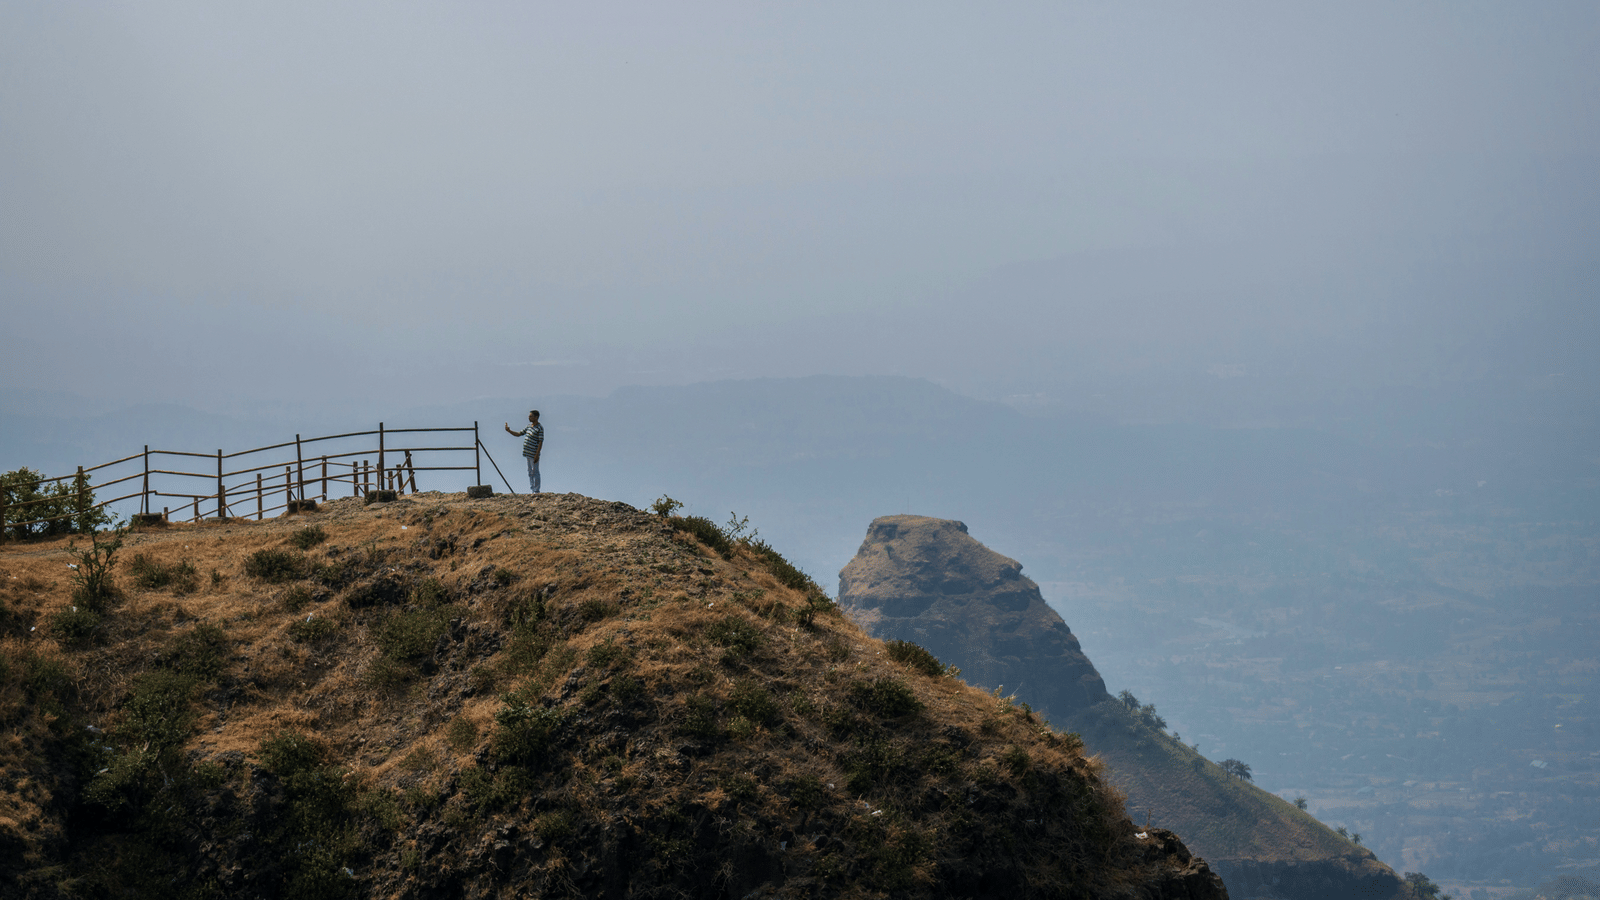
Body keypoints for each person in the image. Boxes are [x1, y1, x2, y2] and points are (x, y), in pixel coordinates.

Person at [504, 410, 544, 493]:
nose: (529, 418)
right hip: (527, 453)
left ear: (536, 417)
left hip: (534, 453)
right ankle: (532, 489)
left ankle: (536, 490)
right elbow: (519, 434)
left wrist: (537, 454)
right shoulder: (528, 427)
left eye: (530, 416)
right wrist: (509, 431)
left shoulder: (539, 428)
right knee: (530, 471)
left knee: (535, 471)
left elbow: (540, 441)